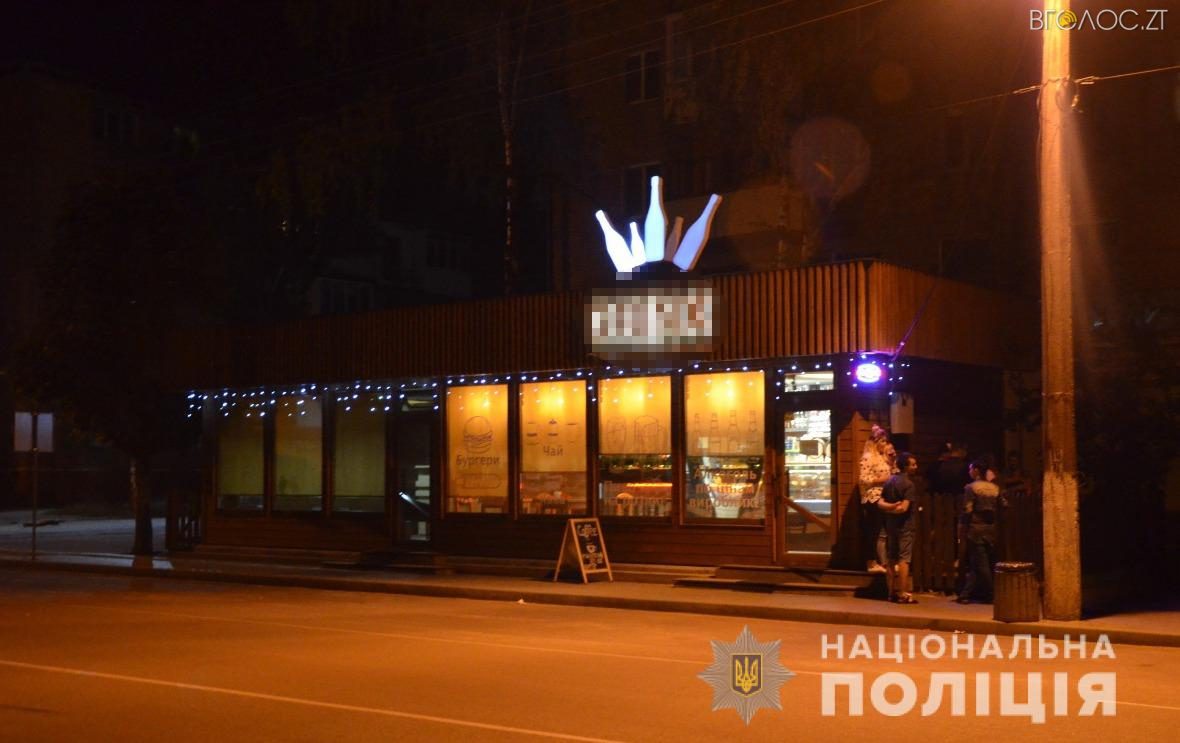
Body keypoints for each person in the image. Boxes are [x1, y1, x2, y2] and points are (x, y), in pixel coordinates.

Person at [958, 459, 1005, 604]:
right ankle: (965, 594)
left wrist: (962, 527)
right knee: (977, 563)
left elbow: (967, 509)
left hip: (976, 529)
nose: (969, 472)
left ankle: (992, 593)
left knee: (981, 564)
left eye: (971, 469)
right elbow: (1004, 504)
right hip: (991, 529)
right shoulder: (995, 488)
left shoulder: (971, 488)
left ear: (976, 470)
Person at [878, 452, 919, 603]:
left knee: (891, 558)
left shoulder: (889, 481)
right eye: (913, 464)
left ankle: (890, 593)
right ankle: (902, 593)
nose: (916, 467)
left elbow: (880, 502)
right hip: (905, 525)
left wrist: (889, 508)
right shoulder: (909, 485)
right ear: (906, 467)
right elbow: (904, 508)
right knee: (904, 559)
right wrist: (895, 507)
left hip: (891, 525)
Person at [858, 425, 893, 573]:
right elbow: (863, 479)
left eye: (886, 441)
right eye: (883, 441)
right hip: (873, 497)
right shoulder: (868, 457)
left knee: (883, 531)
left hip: (884, 496)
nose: (885, 444)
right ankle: (871, 562)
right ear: (875, 442)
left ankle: (882, 561)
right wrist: (881, 480)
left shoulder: (882, 457)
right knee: (873, 530)